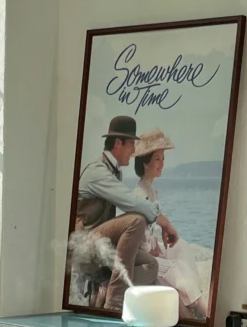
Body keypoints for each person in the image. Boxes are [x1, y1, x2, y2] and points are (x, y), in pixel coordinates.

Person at [74, 115, 179, 311]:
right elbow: (131, 202)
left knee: (151, 266)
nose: (133, 152)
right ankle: (114, 301)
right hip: (86, 244)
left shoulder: (114, 171)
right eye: (131, 144)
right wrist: (164, 223)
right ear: (118, 143)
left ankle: (106, 286)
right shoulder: (98, 172)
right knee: (136, 221)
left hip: (102, 243)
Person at [134, 129, 209, 320]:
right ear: (145, 162)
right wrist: (152, 250)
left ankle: (194, 298)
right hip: (142, 259)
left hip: (151, 251)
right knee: (177, 268)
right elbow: (137, 235)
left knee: (182, 247)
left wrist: (159, 243)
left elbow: (152, 226)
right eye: (157, 159)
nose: (162, 164)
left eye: (163, 158)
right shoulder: (138, 195)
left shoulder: (151, 191)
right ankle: (199, 307)